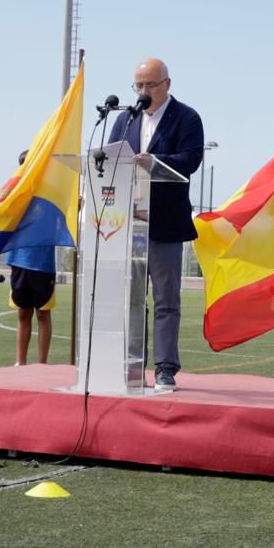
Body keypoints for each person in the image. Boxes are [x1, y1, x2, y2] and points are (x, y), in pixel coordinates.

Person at [108, 57, 204, 393]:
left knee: (166, 301)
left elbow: (191, 160)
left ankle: (165, 368)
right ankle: (129, 365)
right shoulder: (125, 119)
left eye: (150, 85)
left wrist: (155, 161)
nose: (144, 92)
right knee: (130, 300)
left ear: (167, 84)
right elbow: (110, 159)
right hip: (127, 225)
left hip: (165, 224)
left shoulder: (187, 118)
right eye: (139, 85)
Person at [7, 151, 56, 366]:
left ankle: (42, 363)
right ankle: (20, 362)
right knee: (23, 313)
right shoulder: (14, 191)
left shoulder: (52, 192)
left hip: (43, 262)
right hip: (19, 260)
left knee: (43, 314)